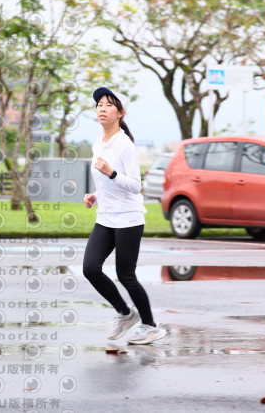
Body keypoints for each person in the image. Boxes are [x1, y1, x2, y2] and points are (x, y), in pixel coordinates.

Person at [82, 87, 166, 345]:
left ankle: (150, 326)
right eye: (99, 105)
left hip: (129, 218)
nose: (102, 109)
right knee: (90, 268)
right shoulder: (98, 142)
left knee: (126, 274)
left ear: (120, 112)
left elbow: (135, 186)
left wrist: (112, 173)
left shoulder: (125, 145)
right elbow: (106, 183)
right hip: (106, 216)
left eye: (108, 105)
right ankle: (125, 313)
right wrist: (95, 194)